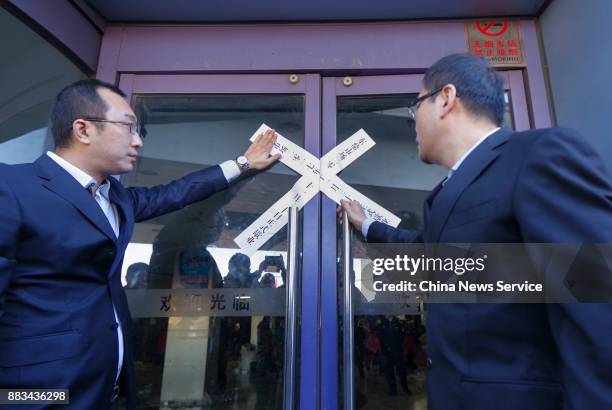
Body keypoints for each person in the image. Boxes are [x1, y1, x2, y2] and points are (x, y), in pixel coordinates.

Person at [340, 53, 612, 409]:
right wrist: (366, 225)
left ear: (446, 98)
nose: (413, 124)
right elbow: (425, 252)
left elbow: (597, 301)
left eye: (415, 108)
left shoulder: (538, 155)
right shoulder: (450, 190)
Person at [0, 79, 280, 409]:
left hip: (108, 389)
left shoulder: (115, 198)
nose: (138, 141)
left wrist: (243, 164)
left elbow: (176, 193)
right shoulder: (13, 187)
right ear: (83, 129)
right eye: (129, 128)